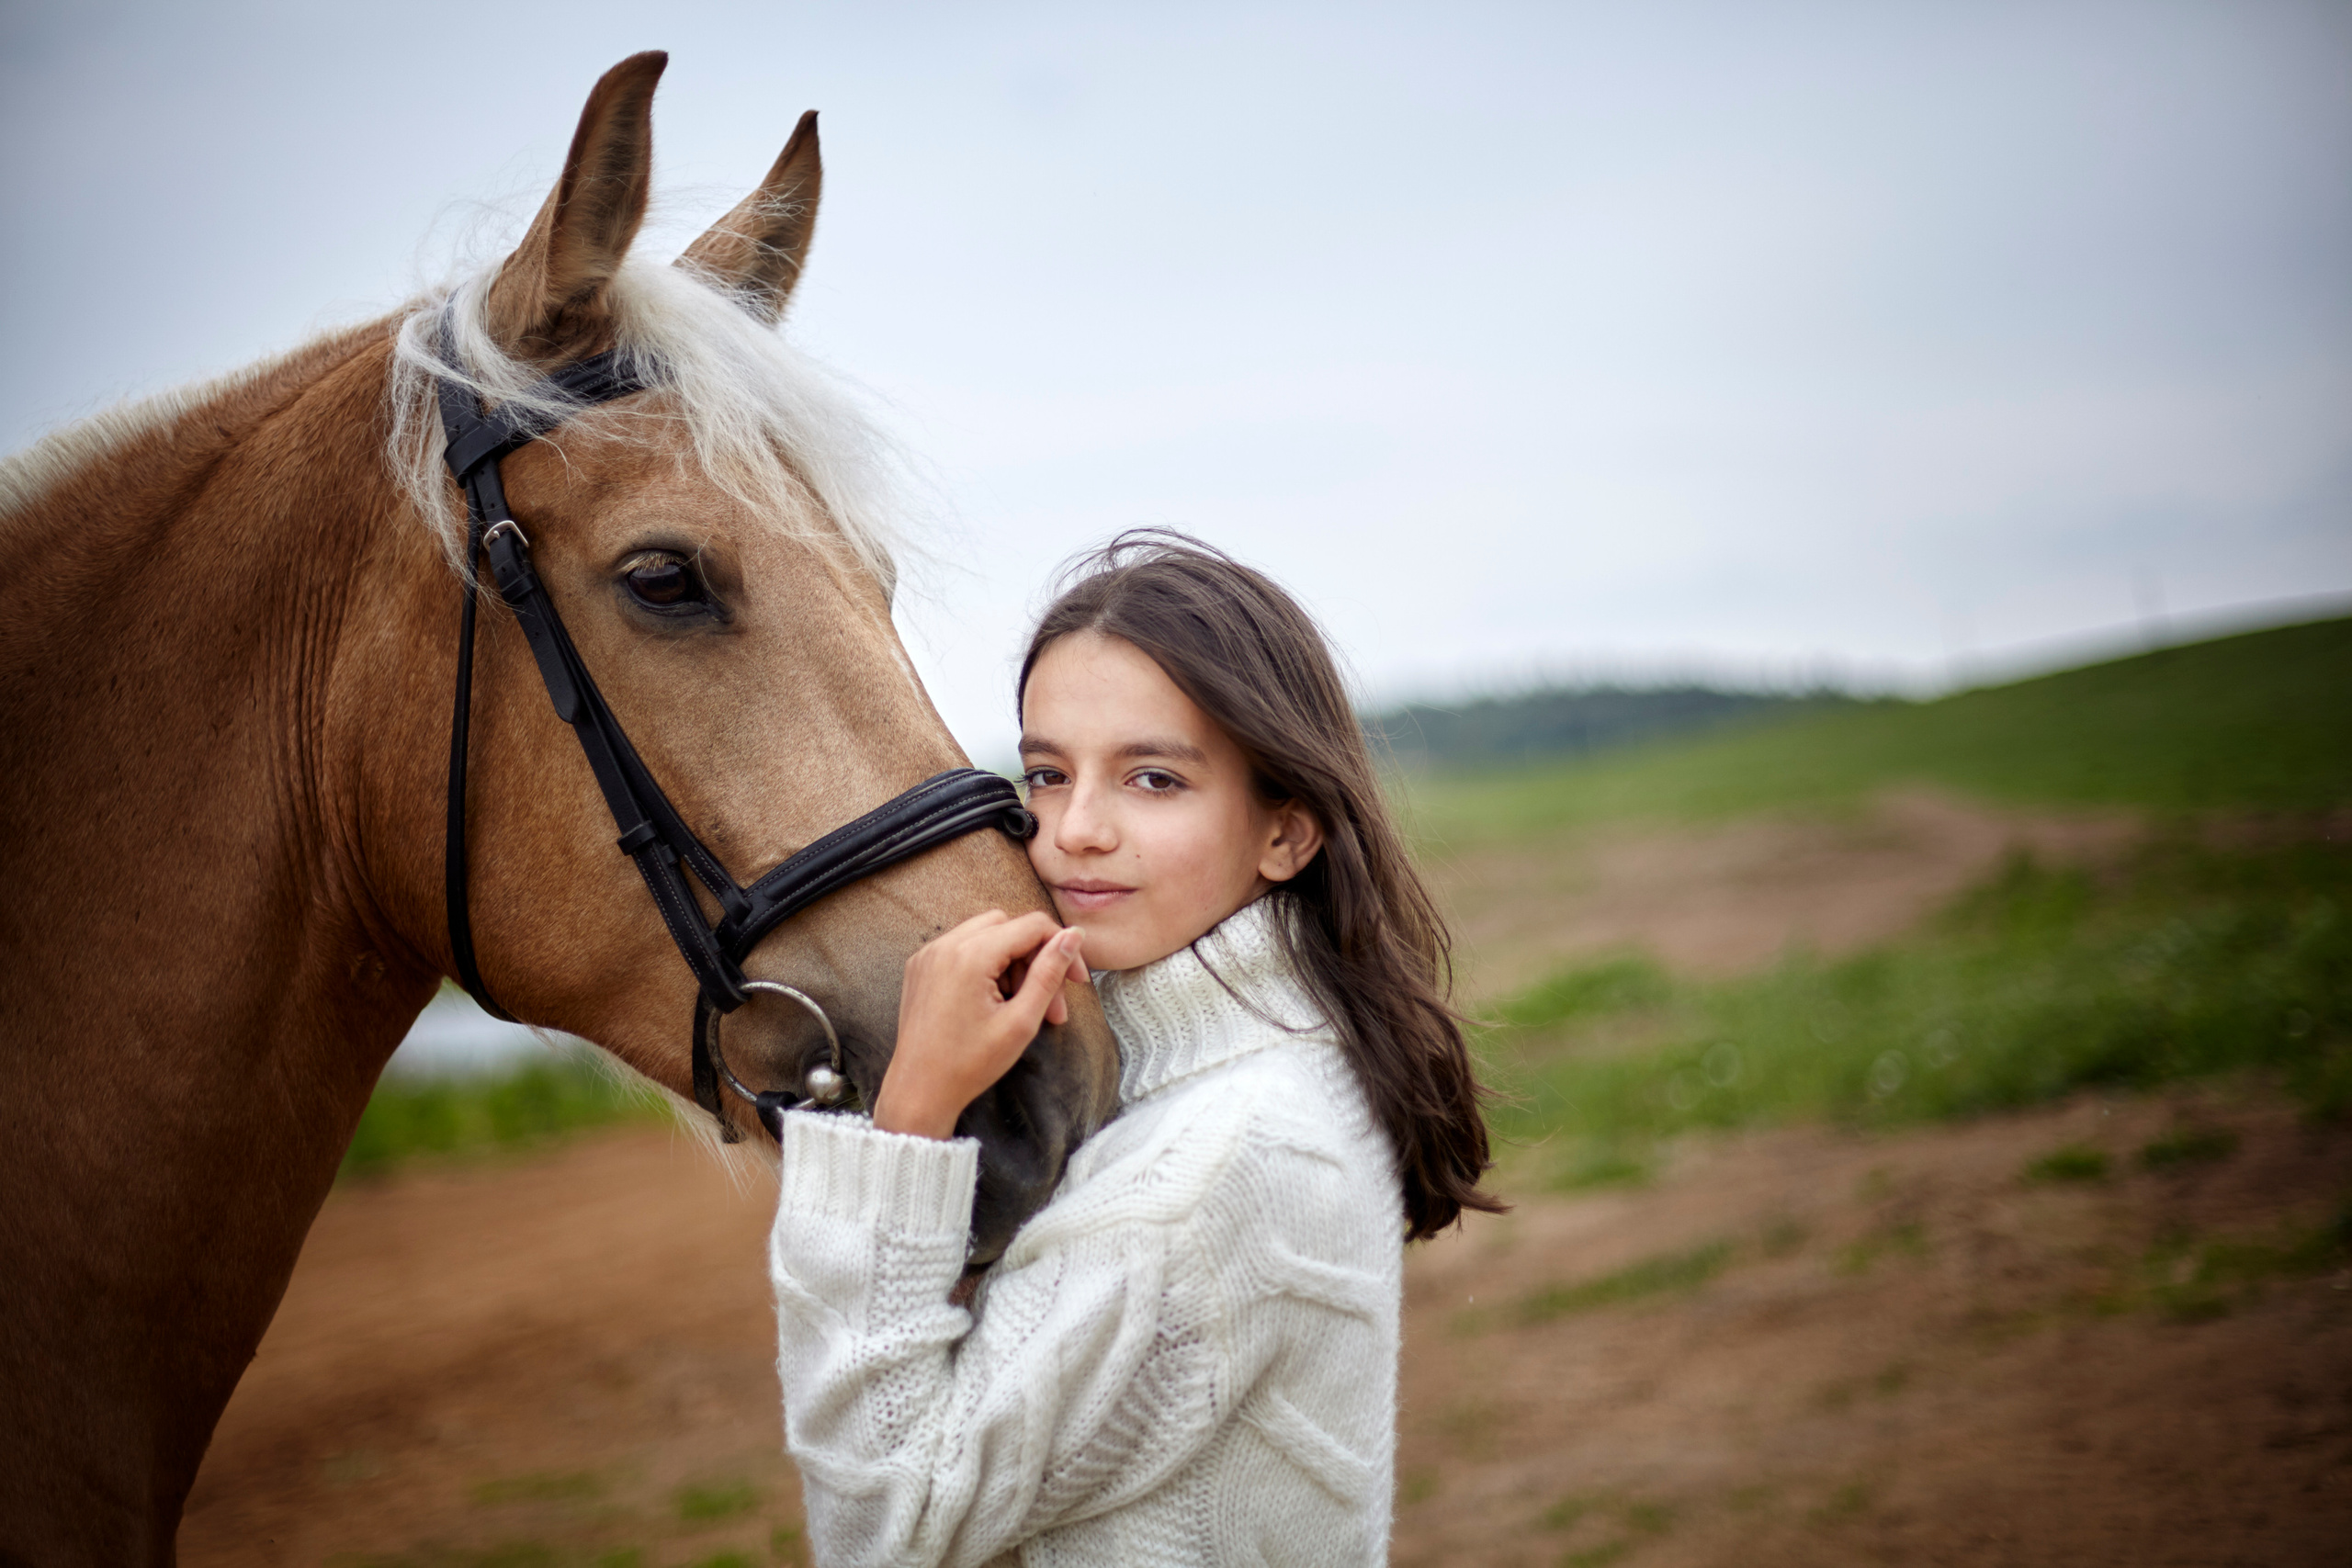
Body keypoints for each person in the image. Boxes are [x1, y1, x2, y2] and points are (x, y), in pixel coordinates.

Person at [767, 531, 1500, 1567]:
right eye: (1046, 773)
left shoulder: (1208, 1168)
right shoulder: (1272, 1069)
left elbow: (889, 1523)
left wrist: (908, 1124)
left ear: (1286, 834)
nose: (1073, 831)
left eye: (1152, 781)